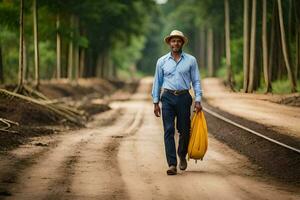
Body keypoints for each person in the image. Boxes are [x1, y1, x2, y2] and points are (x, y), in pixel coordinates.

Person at [152, 30, 203, 175]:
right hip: (167, 97)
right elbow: (157, 82)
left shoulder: (191, 60)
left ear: (182, 43)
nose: (176, 43)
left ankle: (182, 154)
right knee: (168, 130)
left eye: (178, 41)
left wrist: (198, 100)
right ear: (169, 43)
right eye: (173, 41)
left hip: (184, 97)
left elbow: (196, 81)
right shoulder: (161, 61)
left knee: (184, 130)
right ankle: (172, 164)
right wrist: (156, 102)